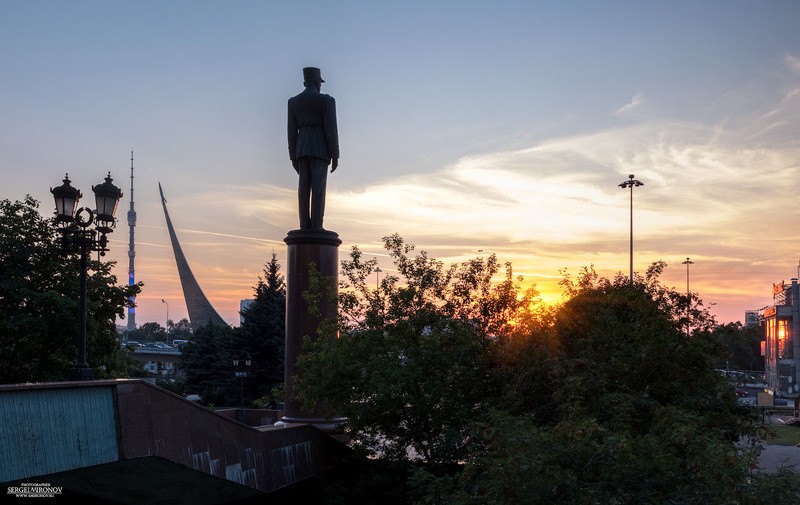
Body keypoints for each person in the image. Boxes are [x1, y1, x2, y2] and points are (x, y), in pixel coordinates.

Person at [287, 66, 339, 230]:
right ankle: (316, 225)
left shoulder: (293, 101)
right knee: (318, 188)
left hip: (301, 149)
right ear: (317, 81)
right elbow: (331, 129)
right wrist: (335, 154)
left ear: (305, 82)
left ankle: (304, 225)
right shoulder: (326, 100)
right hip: (319, 147)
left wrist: (293, 156)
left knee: (303, 189)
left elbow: (290, 132)